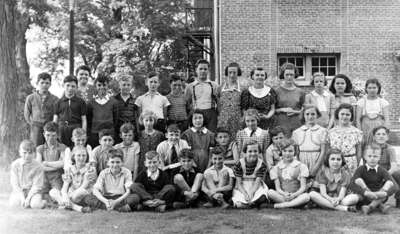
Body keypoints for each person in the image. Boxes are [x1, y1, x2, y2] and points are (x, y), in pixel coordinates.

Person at [348, 144, 396, 215]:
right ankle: (380, 206)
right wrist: (366, 193)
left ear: (379, 157)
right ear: (364, 157)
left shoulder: (382, 170)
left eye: (375, 156)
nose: (372, 158)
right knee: (359, 181)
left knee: (389, 183)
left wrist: (384, 193)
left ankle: (369, 207)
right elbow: (351, 184)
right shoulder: (360, 169)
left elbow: (395, 186)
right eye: (369, 156)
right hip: (364, 195)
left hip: (380, 195)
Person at [268, 138, 310, 209]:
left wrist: (294, 195)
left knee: (306, 196)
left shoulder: (301, 166)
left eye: (290, 151)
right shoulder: (276, 168)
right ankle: (295, 204)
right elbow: (278, 188)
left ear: (295, 152)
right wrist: (284, 194)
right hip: (283, 196)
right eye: (285, 151)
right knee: (270, 192)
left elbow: (303, 187)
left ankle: (282, 205)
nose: (287, 154)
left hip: (297, 195)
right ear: (281, 151)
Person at [368, 126, 400, 208]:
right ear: (374, 137)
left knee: (398, 173)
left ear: (387, 137)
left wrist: (384, 176)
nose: (381, 136)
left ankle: (398, 199)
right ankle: (377, 203)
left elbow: (394, 166)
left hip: (386, 176)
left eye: (383, 134)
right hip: (372, 176)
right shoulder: (369, 148)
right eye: (378, 134)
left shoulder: (390, 149)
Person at [24, 72, 58, 146]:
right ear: (37, 83)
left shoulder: (55, 99)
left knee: (49, 146)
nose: (44, 85)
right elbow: (27, 114)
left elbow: (56, 114)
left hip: (49, 128)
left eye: (47, 83)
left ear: (50, 84)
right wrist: (33, 124)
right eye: (42, 82)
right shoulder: (30, 98)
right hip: (36, 128)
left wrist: (52, 126)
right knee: (36, 146)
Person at [327, 103, 363, 175]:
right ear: (338, 114)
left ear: (351, 116)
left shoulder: (357, 132)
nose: (344, 116)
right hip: (335, 163)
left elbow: (359, 151)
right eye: (342, 114)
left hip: (351, 164)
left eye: (347, 114)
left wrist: (357, 164)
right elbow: (328, 151)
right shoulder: (331, 132)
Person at [232, 140, 269, 208]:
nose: (253, 153)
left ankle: (251, 203)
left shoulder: (262, 164)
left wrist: (251, 193)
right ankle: (250, 204)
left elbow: (257, 183)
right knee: (240, 201)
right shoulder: (239, 164)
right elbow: (239, 183)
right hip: (242, 186)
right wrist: (245, 194)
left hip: (255, 186)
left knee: (262, 197)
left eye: (255, 151)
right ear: (245, 152)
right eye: (250, 151)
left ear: (259, 152)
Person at [9, 140, 46, 209]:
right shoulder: (15, 164)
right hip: (20, 191)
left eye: (30, 153)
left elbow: (37, 186)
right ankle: (24, 201)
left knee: (35, 205)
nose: (27, 156)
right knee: (13, 204)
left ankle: (43, 202)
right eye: (24, 153)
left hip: (33, 191)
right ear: (20, 152)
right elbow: (15, 184)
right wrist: (22, 198)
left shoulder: (38, 166)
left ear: (34, 154)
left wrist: (28, 198)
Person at [292, 106, 327, 178]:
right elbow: (296, 152)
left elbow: (323, 151)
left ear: (317, 115)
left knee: (317, 183)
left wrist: (316, 167)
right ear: (303, 115)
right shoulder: (297, 132)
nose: (310, 116)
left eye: (313, 114)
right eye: (307, 114)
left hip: (317, 160)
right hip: (302, 161)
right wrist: (300, 167)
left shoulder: (322, 131)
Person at [58, 146, 96, 213]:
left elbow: (83, 186)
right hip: (72, 194)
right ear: (73, 156)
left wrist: (68, 197)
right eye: (78, 155)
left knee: (78, 193)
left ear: (87, 157)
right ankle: (78, 208)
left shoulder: (91, 169)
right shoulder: (70, 169)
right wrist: (65, 196)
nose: (81, 158)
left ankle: (65, 204)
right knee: (52, 192)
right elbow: (65, 187)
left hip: (84, 194)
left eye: (84, 155)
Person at [36, 122, 66, 203]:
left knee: (56, 192)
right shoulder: (40, 148)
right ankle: (50, 200)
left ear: (57, 135)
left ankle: (53, 199)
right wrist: (56, 165)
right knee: (38, 194)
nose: (50, 138)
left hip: (57, 177)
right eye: (48, 135)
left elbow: (63, 163)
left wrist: (46, 163)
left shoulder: (62, 147)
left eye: (53, 135)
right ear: (43, 134)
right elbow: (39, 166)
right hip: (44, 177)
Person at [185, 59, 219, 132]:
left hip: (211, 114)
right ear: (196, 70)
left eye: (205, 69)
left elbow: (218, 102)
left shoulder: (214, 85)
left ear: (208, 70)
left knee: (211, 135)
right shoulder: (190, 86)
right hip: (196, 113)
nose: (203, 71)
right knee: (196, 135)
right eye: (200, 69)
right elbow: (187, 102)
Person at [53, 75, 87, 147]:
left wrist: (83, 133)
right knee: (63, 148)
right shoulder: (58, 102)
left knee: (75, 149)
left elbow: (84, 119)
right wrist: (54, 132)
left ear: (76, 87)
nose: (70, 88)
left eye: (73, 86)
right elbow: (55, 120)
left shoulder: (81, 102)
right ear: (63, 85)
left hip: (76, 128)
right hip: (62, 129)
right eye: (68, 85)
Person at [87, 74, 119, 147]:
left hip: (109, 136)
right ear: (96, 86)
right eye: (99, 85)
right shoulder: (90, 103)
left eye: (104, 85)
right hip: (95, 135)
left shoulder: (114, 102)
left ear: (107, 86)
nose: (102, 87)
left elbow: (115, 120)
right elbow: (89, 120)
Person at [274, 63, 305, 137]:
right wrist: (282, 109)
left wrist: (295, 112)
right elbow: (272, 110)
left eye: (291, 75)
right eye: (287, 74)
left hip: (296, 125)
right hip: (281, 125)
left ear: (295, 75)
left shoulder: (300, 92)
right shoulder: (276, 91)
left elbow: (304, 110)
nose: (289, 77)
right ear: (283, 75)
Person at [217, 62, 244, 137]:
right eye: (230, 72)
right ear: (227, 73)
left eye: (234, 72)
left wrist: (242, 119)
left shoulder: (242, 88)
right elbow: (217, 103)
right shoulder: (220, 88)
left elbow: (244, 106)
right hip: (223, 119)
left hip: (237, 120)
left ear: (238, 73)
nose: (232, 75)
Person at [114, 74, 138, 143]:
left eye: (128, 85)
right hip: (118, 132)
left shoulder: (135, 100)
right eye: (124, 85)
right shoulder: (114, 100)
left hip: (131, 131)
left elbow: (137, 116)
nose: (126, 87)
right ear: (119, 86)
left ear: (131, 86)